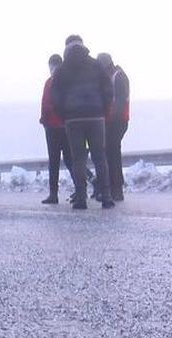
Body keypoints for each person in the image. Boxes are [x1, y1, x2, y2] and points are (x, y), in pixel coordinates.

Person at [51, 35, 115, 210]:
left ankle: (81, 198)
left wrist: (64, 115)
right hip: (96, 117)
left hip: (73, 119)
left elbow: (54, 95)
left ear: (66, 47)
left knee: (78, 159)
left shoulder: (62, 69)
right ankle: (107, 196)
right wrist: (102, 108)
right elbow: (108, 88)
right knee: (99, 157)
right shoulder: (95, 64)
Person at [40, 54, 74, 204]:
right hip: (57, 126)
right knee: (64, 160)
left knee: (62, 160)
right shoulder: (56, 81)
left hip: (59, 126)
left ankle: (56, 193)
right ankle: (55, 193)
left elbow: (47, 103)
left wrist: (45, 118)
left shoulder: (54, 82)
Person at [98, 53, 130, 201]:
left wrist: (110, 121)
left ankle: (116, 189)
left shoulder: (117, 76)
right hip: (116, 120)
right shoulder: (115, 75)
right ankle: (116, 186)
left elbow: (119, 102)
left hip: (117, 121)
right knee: (112, 153)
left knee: (112, 154)